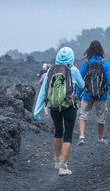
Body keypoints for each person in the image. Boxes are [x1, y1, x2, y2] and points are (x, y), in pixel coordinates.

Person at [33, 47, 84, 176]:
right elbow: (82, 86)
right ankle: (63, 166)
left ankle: (56, 161)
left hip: (54, 108)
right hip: (69, 107)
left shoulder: (50, 70)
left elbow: (43, 91)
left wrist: (37, 110)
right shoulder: (73, 70)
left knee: (58, 131)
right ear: (71, 58)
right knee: (68, 134)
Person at [76, 40, 110, 146]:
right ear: (100, 50)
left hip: (86, 94)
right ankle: (100, 139)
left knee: (82, 116)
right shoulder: (105, 63)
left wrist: (78, 95)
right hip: (101, 96)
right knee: (101, 118)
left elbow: (80, 80)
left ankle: (82, 137)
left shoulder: (86, 63)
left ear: (89, 50)